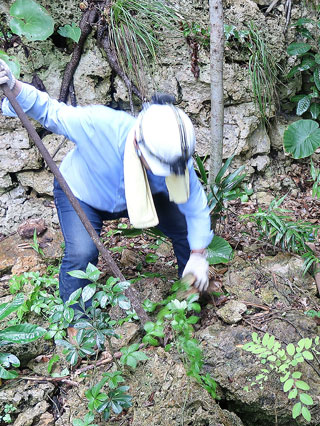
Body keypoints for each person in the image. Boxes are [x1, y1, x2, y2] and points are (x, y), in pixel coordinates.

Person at [0, 59, 211, 323]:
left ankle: (188, 299)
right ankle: (78, 322)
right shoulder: (99, 124)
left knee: (185, 231)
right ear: (138, 143)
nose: (163, 173)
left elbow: (195, 207)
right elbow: (49, 111)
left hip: (145, 195)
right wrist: (15, 85)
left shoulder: (175, 157)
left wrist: (198, 255)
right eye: (157, 167)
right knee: (82, 252)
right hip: (82, 193)